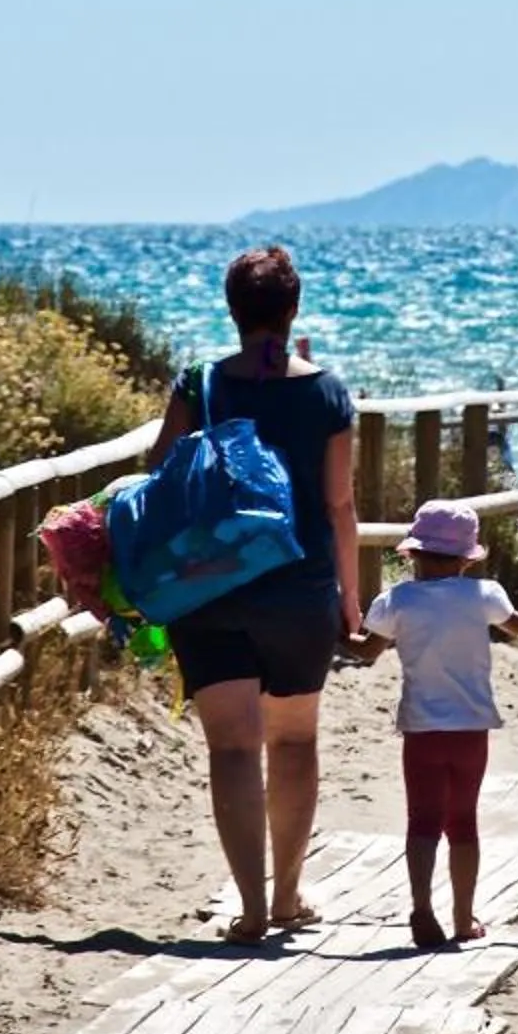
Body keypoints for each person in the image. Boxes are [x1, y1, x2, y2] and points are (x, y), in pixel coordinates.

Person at [141, 245, 360, 943]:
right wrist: (351, 602)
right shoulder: (326, 392)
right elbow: (340, 506)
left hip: (209, 591)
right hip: (299, 591)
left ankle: (253, 907)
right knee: (294, 742)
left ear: (232, 310)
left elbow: (159, 481)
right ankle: (290, 895)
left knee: (233, 750)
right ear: (293, 309)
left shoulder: (197, 385)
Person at [356, 499, 518, 947]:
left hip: (422, 730)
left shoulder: (398, 600)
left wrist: (338, 624)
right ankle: (464, 919)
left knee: (422, 820)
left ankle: (422, 908)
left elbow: (366, 651)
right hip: (471, 729)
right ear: (468, 559)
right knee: (463, 821)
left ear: (413, 555)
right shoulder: (485, 595)